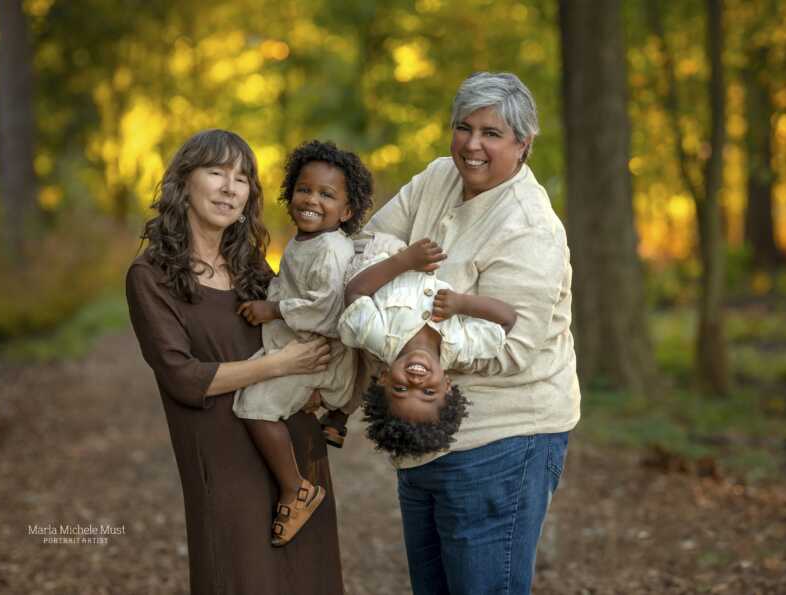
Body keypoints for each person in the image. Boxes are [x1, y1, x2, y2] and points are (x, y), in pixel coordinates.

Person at [364, 72, 581, 594]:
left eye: (492, 133)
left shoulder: (530, 226)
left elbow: (515, 343)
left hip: (501, 438)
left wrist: (418, 340)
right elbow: (374, 242)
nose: (473, 144)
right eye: (464, 127)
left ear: (523, 144)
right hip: (421, 430)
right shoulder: (437, 177)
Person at [125, 129, 344, 594]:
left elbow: (310, 330)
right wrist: (278, 366)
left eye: (242, 178)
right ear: (184, 182)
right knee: (240, 578)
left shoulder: (252, 266)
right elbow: (183, 378)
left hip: (294, 447)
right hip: (223, 462)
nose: (229, 187)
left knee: (310, 579)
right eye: (216, 172)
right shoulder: (151, 276)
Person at [232, 140, 373, 546]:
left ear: (346, 212)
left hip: (322, 357)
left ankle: (297, 488)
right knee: (258, 396)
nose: (312, 200)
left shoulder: (330, 249)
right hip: (306, 347)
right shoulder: (305, 240)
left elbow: (328, 311)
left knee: (255, 407)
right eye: (304, 189)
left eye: (327, 195)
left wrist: (272, 310)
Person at [338, 231, 517, 458]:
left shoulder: (376, 336)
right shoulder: (461, 347)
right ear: (447, 385)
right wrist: (463, 304)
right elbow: (507, 319)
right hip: (432, 247)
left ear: (384, 379)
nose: (415, 382)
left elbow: (355, 292)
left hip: (379, 253)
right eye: (428, 391)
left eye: (401, 389)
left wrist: (404, 261)